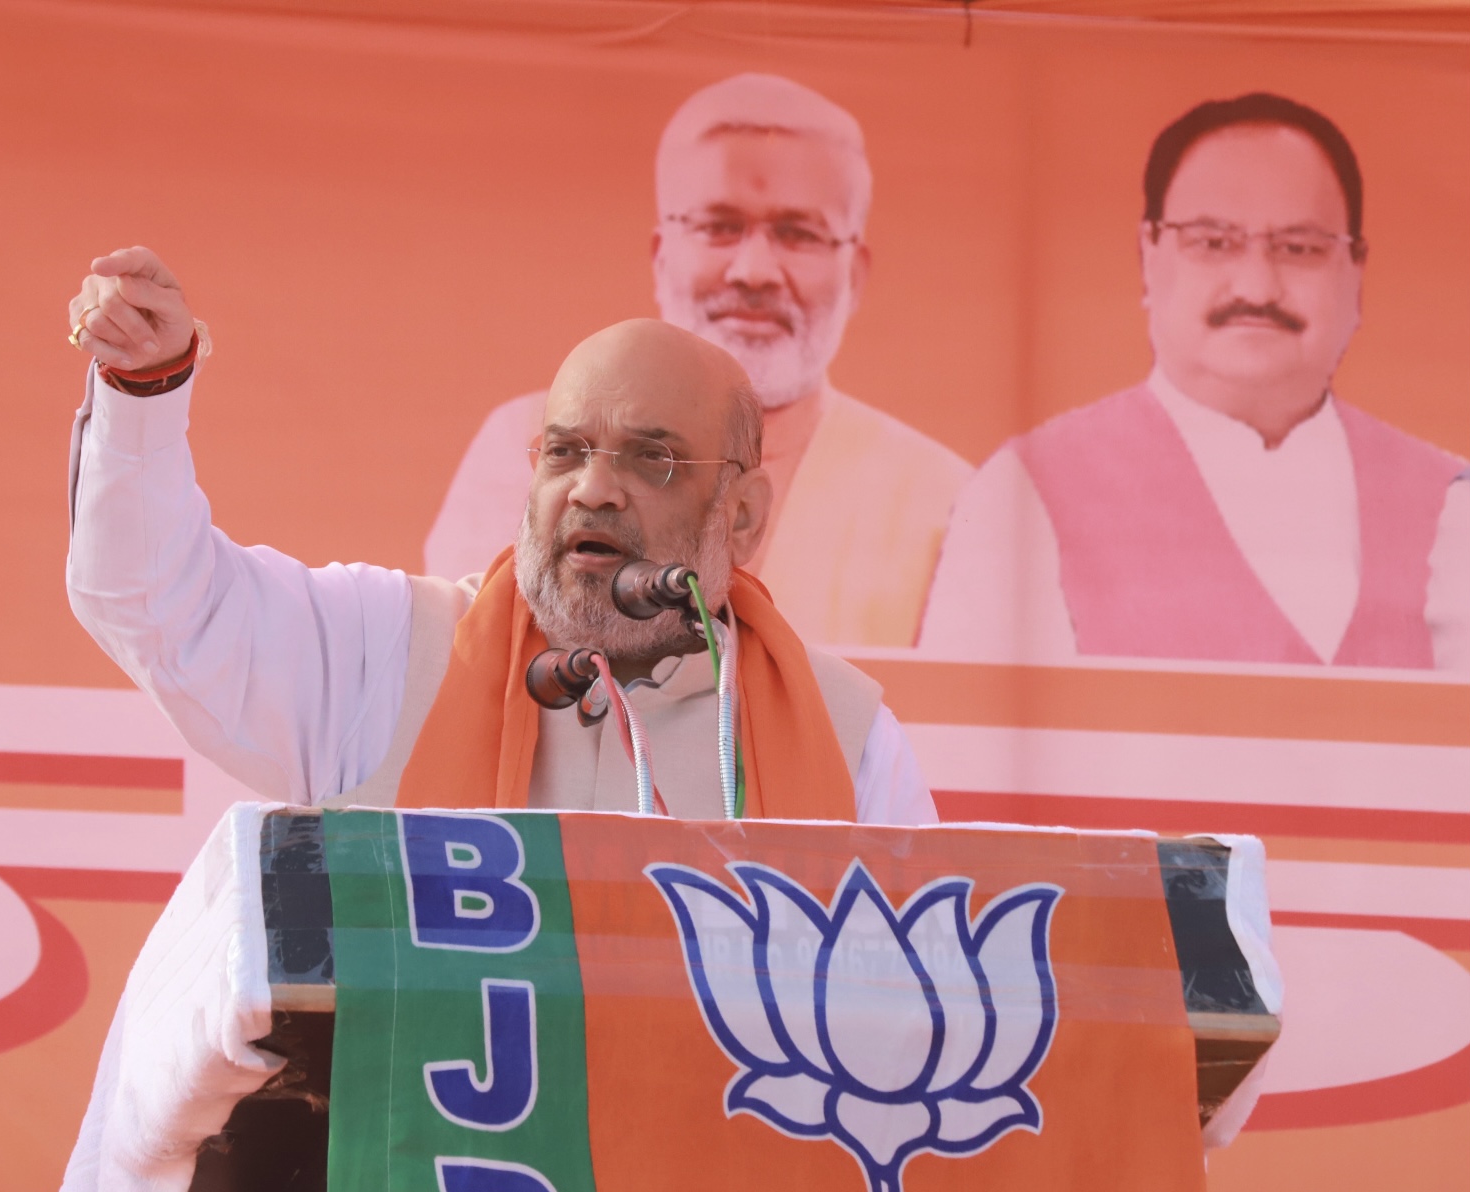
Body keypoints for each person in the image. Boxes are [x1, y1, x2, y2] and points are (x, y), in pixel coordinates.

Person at [62, 246, 936, 827]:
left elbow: (908, 1012)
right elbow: (156, 603)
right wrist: (146, 392)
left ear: (741, 515)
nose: (592, 488)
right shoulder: (390, 654)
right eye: (564, 453)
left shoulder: (844, 733)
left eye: (651, 459)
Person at [919, 92, 1470, 670]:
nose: (1256, 288)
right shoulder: (1024, 494)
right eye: (1214, 243)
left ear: (1356, 273)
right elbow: (963, 750)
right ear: (1148, 258)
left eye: (1299, 248)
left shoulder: (1451, 501)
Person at [427, 72, 971, 648]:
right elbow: (480, 671)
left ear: (854, 275)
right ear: (663, 257)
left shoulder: (947, 499)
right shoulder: (530, 449)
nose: (754, 270)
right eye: (718, 227)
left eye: (799, 233)